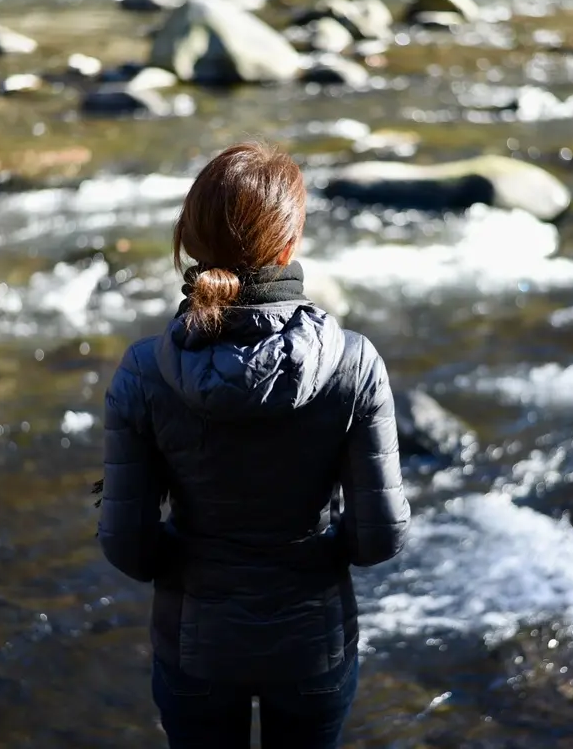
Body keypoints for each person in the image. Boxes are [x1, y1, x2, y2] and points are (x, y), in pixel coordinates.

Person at [96, 141, 411, 749]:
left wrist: (197, 562)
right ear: (289, 246)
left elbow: (127, 549)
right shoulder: (354, 365)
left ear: (190, 241)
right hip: (313, 643)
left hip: (195, 643)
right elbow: (379, 538)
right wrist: (311, 554)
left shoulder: (144, 371)